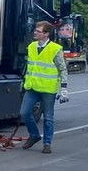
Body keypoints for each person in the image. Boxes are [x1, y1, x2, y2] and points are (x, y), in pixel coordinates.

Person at [20, 20, 69, 153]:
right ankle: (34, 135)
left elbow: (62, 69)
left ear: (46, 34)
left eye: (38, 31)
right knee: (24, 113)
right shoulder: (31, 47)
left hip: (48, 89)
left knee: (48, 118)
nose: (35, 32)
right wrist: (24, 82)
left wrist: (64, 88)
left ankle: (47, 143)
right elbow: (29, 67)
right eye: (36, 30)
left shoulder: (55, 49)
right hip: (33, 87)